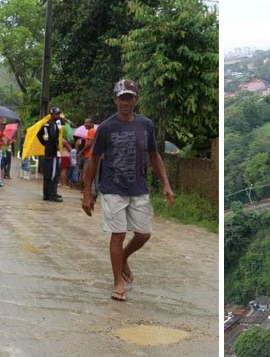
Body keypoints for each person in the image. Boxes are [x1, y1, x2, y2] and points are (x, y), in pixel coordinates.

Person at [82, 79, 174, 302]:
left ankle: (123, 257)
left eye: (129, 97)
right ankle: (117, 282)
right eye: (121, 98)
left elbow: (154, 155)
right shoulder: (105, 128)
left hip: (138, 187)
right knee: (119, 234)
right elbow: (93, 160)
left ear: (136, 99)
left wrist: (166, 184)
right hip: (113, 187)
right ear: (115, 99)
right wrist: (87, 192)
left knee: (143, 234)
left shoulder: (146, 125)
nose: (125, 102)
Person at [37, 106, 64, 202]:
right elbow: (52, 135)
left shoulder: (46, 124)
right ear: (52, 115)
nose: (58, 115)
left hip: (48, 151)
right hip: (52, 153)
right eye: (56, 114)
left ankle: (46, 194)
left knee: (48, 173)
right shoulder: (52, 124)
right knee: (53, 174)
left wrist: (45, 144)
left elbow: (39, 135)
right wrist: (55, 144)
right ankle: (52, 195)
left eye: (58, 113)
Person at [58, 118, 73, 187]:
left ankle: (61, 183)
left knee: (62, 170)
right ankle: (64, 184)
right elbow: (70, 149)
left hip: (61, 155)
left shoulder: (60, 139)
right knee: (64, 170)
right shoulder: (64, 141)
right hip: (65, 155)